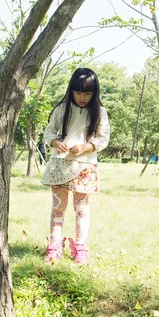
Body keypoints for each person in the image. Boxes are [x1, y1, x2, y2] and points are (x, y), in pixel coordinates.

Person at [40, 68, 110, 265]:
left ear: (94, 93)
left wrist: (87, 146)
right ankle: (54, 246)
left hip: (84, 167)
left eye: (87, 93)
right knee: (57, 208)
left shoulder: (100, 112)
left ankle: (81, 247)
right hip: (60, 165)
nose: (82, 97)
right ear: (71, 90)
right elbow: (49, 132)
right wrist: (55, 142)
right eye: (78, 92)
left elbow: (103, 138)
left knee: (81, 209)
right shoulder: (61, 109)